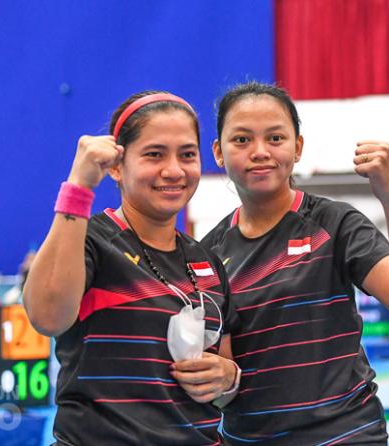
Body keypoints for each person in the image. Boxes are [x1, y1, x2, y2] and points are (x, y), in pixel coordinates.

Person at [201, 82, 389, 444]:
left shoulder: (335, 223)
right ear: (218, 151)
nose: (260, 151)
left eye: (276, 138)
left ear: (297, 148)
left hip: (344, 434)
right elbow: (223, 377)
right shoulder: (208, 254)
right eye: (242, 140)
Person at [23, 91, 239, 445]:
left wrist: (229, 378)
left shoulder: (208, 263)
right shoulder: (89, 240)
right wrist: (78, 187)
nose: (173, 170)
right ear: (116, 167)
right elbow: (47, 316)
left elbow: (224, 381)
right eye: (154, 154)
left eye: (187, 155)